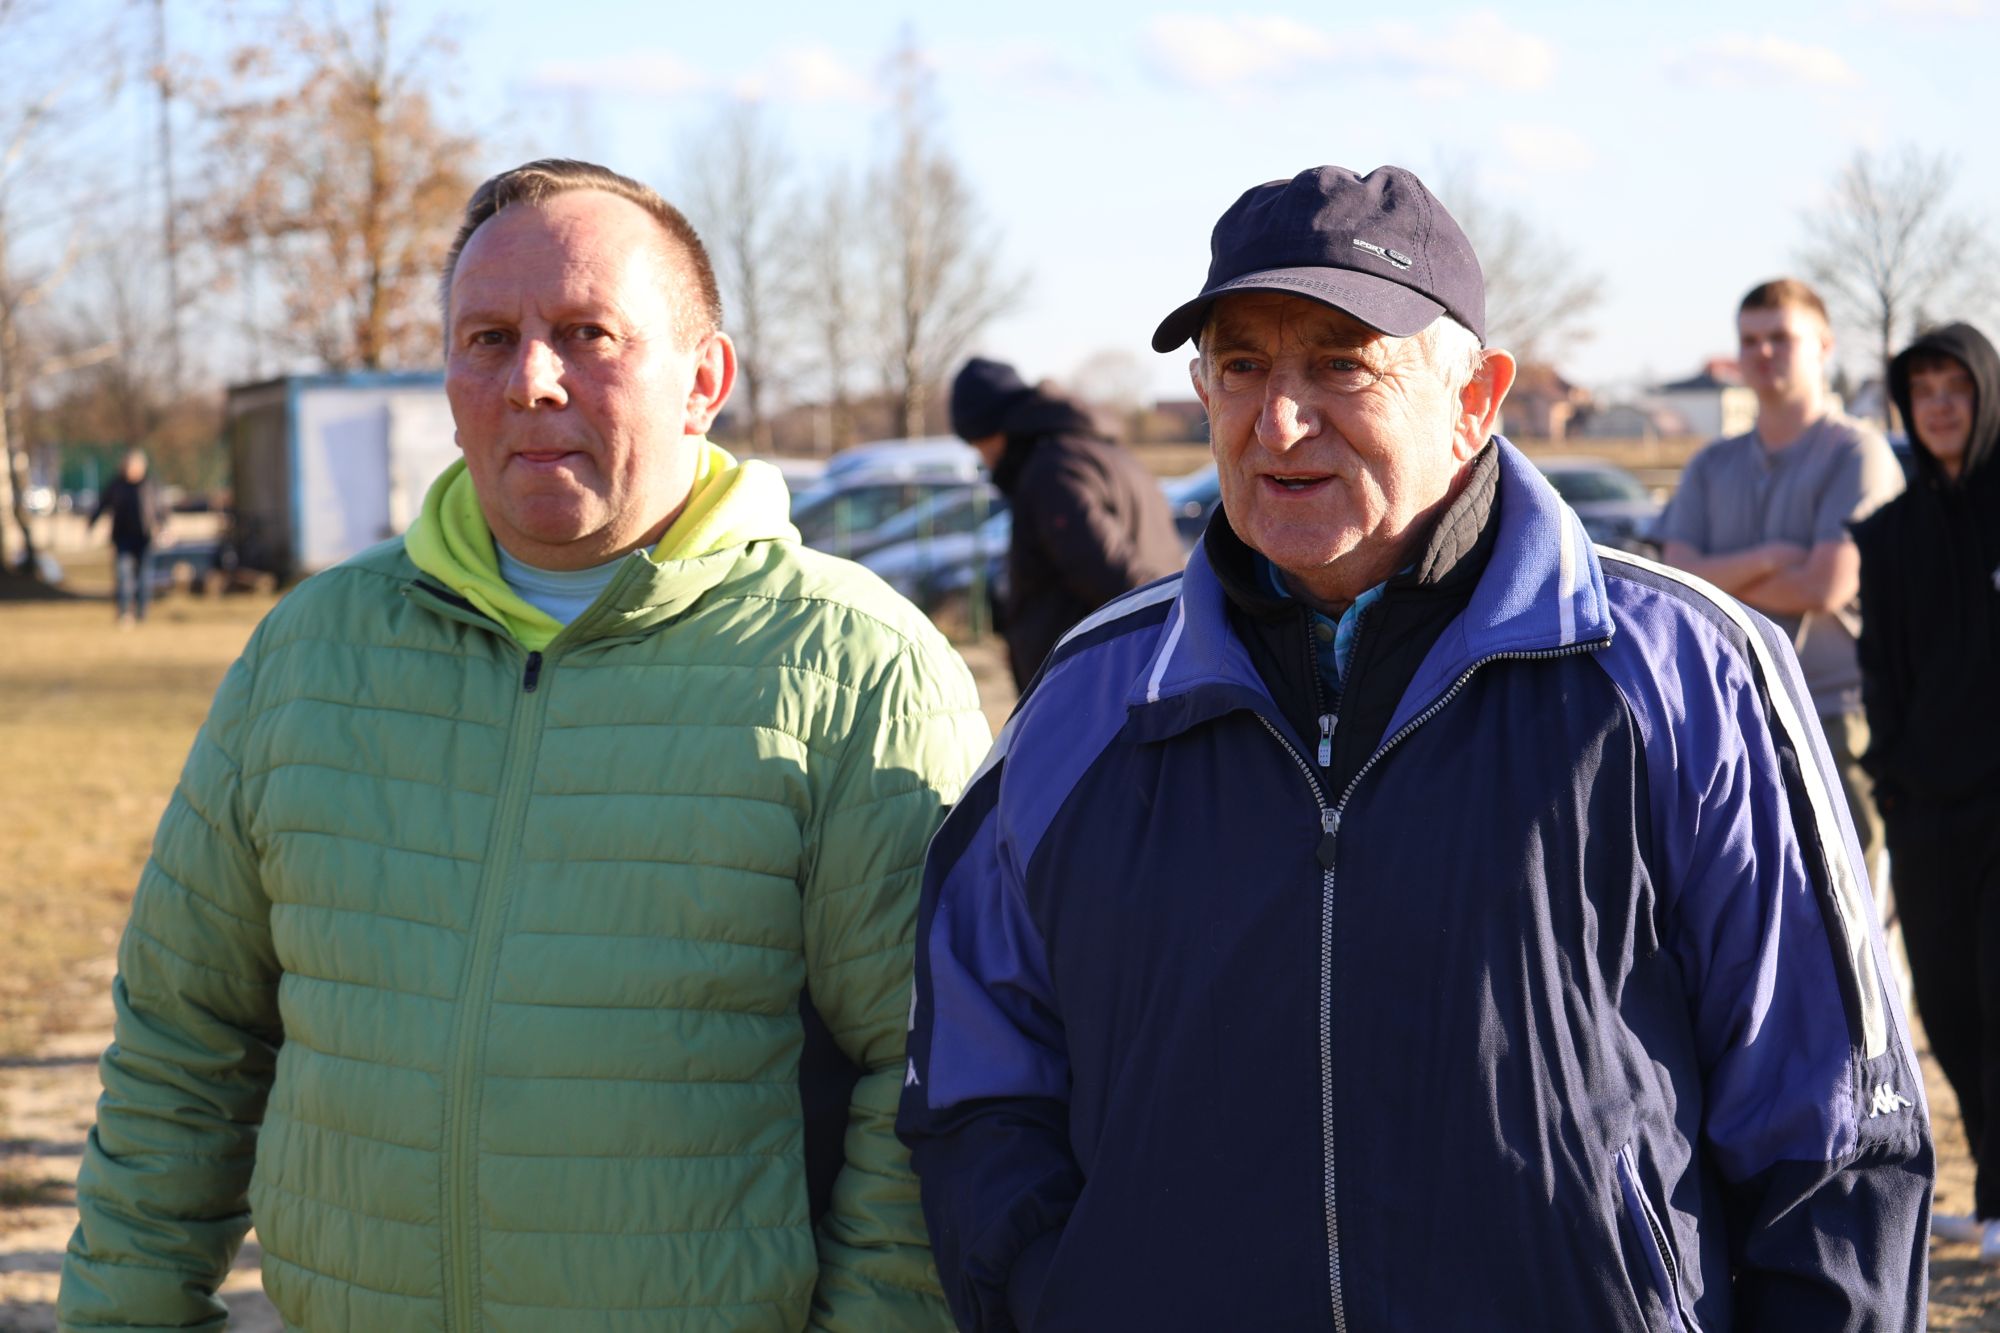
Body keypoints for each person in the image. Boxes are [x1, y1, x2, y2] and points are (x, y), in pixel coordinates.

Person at [898, 164, 1930, 1331]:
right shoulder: (1087, 703)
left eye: (1340, 363)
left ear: (1473, 398)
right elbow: (974, 1079)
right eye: (1240, 367)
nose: (1278, 420)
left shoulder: (1687, 676)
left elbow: (1834, 1136)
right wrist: (1058, 1293)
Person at [59, 159, 989, 1331]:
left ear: (704, 379)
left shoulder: (858, 669)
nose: (532, 380)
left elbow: (933, 1084)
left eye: (589, 333)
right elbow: (183, 1041)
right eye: (488, 338)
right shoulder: (312, 652)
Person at [1656, 280, 1905, 892]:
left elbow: (1825, 586)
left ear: (1824, 345)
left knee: (1845, 909)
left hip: (1831, 718)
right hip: (1725, 721)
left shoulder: (1857, 453)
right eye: (1749, 340)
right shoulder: (1711, 464)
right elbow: (1675, 581)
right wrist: (1772, 556)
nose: (1762, 353)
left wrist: (1719, 580)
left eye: (1780, 338)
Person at [1855, 321, 2000, 1260]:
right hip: (1928, 809)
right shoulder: (1891, 533)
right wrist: (1897, 786)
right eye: (1924, 389)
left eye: (1958, 387)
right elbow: (1883, 673)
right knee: (1948, 1008)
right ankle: (1992, 1200)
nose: (1941, 405)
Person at [949, 358, 1184, 687]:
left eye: (978, 445)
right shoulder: (1106, 453)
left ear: (993, 431)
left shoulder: (1053, 473)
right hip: (1135, 673)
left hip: (1092, 685)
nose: (983, 459)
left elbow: (1118, 578)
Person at [88, 449, 164, 625]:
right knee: (123, 576)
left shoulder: (150, 484)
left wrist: (162, 526)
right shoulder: (117, 485)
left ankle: (141, 613)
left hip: (145, 537)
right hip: (122, 537)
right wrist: (91, 522)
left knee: (144, 577)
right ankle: (123, 612)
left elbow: (160, 508)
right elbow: (103, 504)